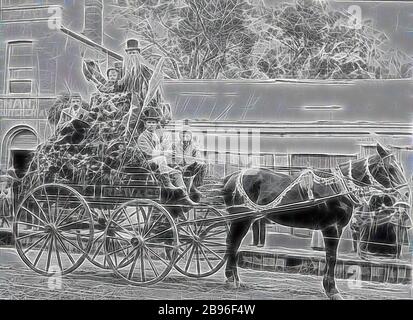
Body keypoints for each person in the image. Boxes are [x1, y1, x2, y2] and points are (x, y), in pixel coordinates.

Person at [137, 109, 197, 206]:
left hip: (157, 164)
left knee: (176, 172)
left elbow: (161, 149)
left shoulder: (155, 136)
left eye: (153, 122)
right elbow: (149, 153)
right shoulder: (142, 137)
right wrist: (165, 153)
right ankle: (167, 184)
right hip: (147, 164)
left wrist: (169, 152)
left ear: (156, 124)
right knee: (162, 158)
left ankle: (184, 197)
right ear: (145, 124)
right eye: (149, 122)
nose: (151, 125)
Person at [172, 127, 207, 201]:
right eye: (183, 135)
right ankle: (189, 190)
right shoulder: (174, 145)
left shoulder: (194, 147)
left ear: (190, 137)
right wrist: (177, 166)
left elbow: (198, 158)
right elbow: (171, 158)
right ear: (180, 136)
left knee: (203, 165)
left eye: (187, 136)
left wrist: (190, 164)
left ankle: (195, 186)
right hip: (178, 167)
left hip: (189, 168)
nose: (185, 138)